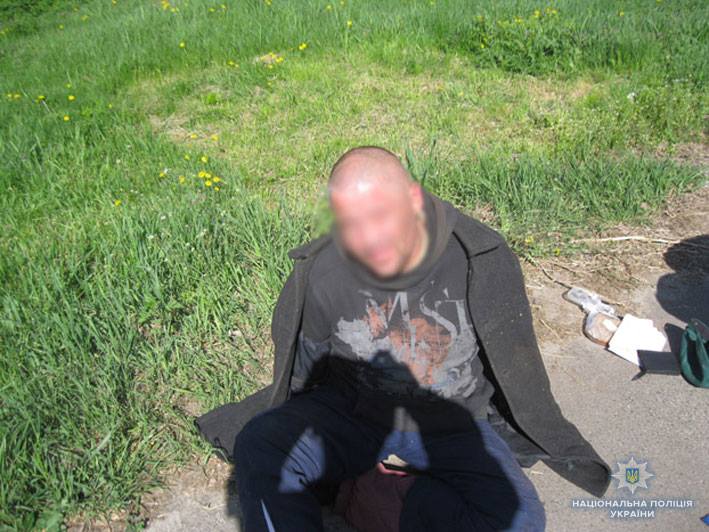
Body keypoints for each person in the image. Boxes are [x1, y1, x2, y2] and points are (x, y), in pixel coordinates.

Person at [194, 145, 612, 531]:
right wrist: (293, 426)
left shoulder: (476, 257)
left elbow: (513, 360)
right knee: (262, 445)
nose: (369, 239)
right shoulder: (325, 271)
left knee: (519, 520)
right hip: (355, 413)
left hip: (453, 420)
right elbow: (305, 369)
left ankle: (380, 496)